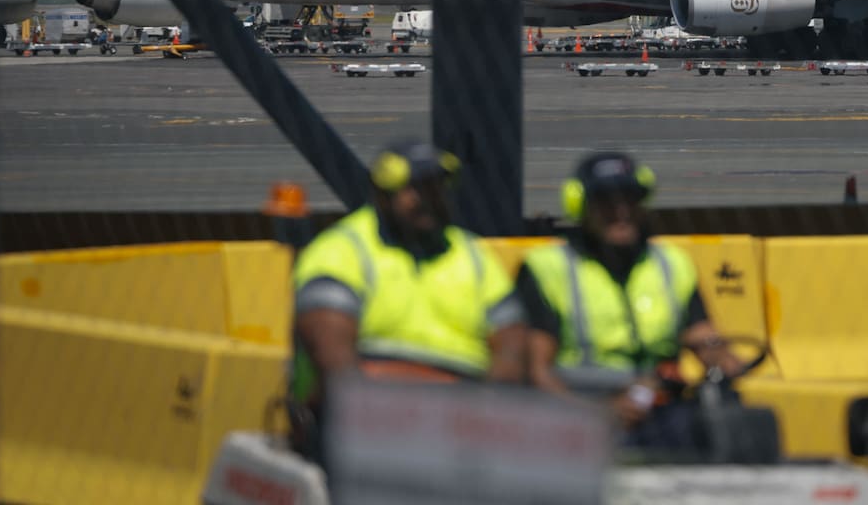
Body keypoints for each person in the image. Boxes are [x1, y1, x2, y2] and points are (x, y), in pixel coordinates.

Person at [289, 140, 526, 460]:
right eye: (416, 190)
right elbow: (333, 357)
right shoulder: (342, 251)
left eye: (436, 188)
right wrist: (388, 420)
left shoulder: (473, 255)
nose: (429, 199)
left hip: (462, 423)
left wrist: (486, 410)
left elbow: (512, 344)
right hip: (361, 423)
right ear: (383, 195)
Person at [514, 151, 744, 449]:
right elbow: (536, 373)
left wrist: (721, 358)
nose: (621, 212)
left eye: (629, 199)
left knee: (732, 421)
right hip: (579, 409)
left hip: (658, 406)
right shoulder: (549, 268)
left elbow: (702, 335)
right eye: (606, 202)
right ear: (580, 205)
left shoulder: (672, 265)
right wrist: (599, 413)